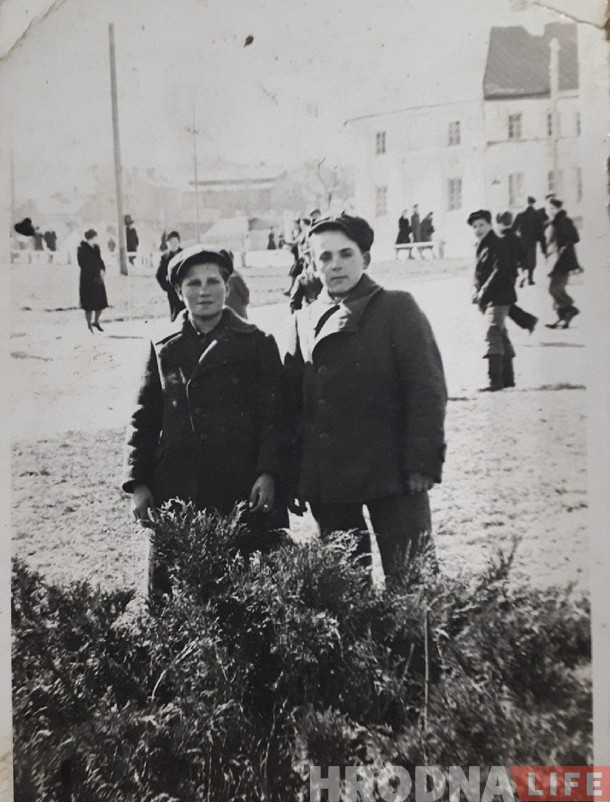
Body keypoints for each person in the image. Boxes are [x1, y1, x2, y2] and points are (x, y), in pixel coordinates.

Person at [284, 213, 447, 586]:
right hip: (329, 479)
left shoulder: (396, 307)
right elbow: (291, 405)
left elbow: (426, 389)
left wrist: (422, 461)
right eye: (325, 257)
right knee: (345, 583)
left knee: (412, 578)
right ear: (312, 264)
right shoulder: (303, 319)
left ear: (366, 258)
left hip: (393, 472)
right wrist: (295, 474)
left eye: (346, 254)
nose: (336, 265)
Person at [122, 246, 292, 596]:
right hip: (178, 488)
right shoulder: (163, 347)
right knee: (173, 593)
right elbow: (144, 418)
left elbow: (275, 418)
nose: (204, 291)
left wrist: (269, 473)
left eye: (213, 281)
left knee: (244, 591)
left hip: (240, 487)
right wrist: (138, 483)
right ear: (178, 291)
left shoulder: (257, 343)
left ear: (228, 287)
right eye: (193, 283)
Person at [468, 209, 517, 392]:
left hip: (499, 296)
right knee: (500, 334)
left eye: (481, 225)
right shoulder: (481, 245)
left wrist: (483, 291)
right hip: (489, 298)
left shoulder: (497, 244)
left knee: (492, 334)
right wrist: (474, 289)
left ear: (490, 225)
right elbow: (478, 272)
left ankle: (495, 381)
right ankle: (508, 379)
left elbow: (500, 271)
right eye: (475, 226)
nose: (478, 229)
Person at [496, 212, 538, 339]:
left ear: (500, 223)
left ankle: (528, 321)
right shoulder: (516, 238)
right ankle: (528, 321)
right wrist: (524, 271)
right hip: (512, 276)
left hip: (501, 277)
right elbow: (524, 256)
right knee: (504, 302)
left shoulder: (501, 240)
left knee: (501, 303)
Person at [544, 199, 581, 329]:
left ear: (558, 209)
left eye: (552, 208)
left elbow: (575, 238)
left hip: (563, 261)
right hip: (556, 260)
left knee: (554, 288)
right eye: (548, 209)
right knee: (555, 288)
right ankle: (563, 317)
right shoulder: (554, 222)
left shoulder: (564, 221)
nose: (549, 211)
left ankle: (570, 308)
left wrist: (564, 246)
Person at [77, 229, 108, 333]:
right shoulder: (82, 249)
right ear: (91, 238)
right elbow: (82, 264)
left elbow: (100, 260)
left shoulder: (96, 248)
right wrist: (95, 271)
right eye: (95, 237)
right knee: (88, 304)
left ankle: (96, 321)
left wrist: (102, 269)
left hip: (97, 279)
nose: (96, 239)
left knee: (100, 302)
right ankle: (89, 324)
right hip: (87, 280)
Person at [513, 196, 546, 287]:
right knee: (531, 261)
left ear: (527, 203)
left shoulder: (520, 214)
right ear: (533, 203)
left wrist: (516, 239)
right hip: (532, 242)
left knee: (522, 261)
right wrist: (543, 247)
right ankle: (530, 279)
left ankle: (523, 276)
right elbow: (541, 232)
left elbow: (513, 229)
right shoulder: (537, 215)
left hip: (522, 241)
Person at [155, 230, 184, 321]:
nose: (173, 245)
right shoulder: (165, 258)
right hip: (172, 290)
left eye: (175, 242)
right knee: (175, 313)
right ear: (167, 244)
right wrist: (166, 287)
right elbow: (159, 275)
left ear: (179, 242)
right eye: (171, 242)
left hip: (184, 287)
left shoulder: (185, 255)